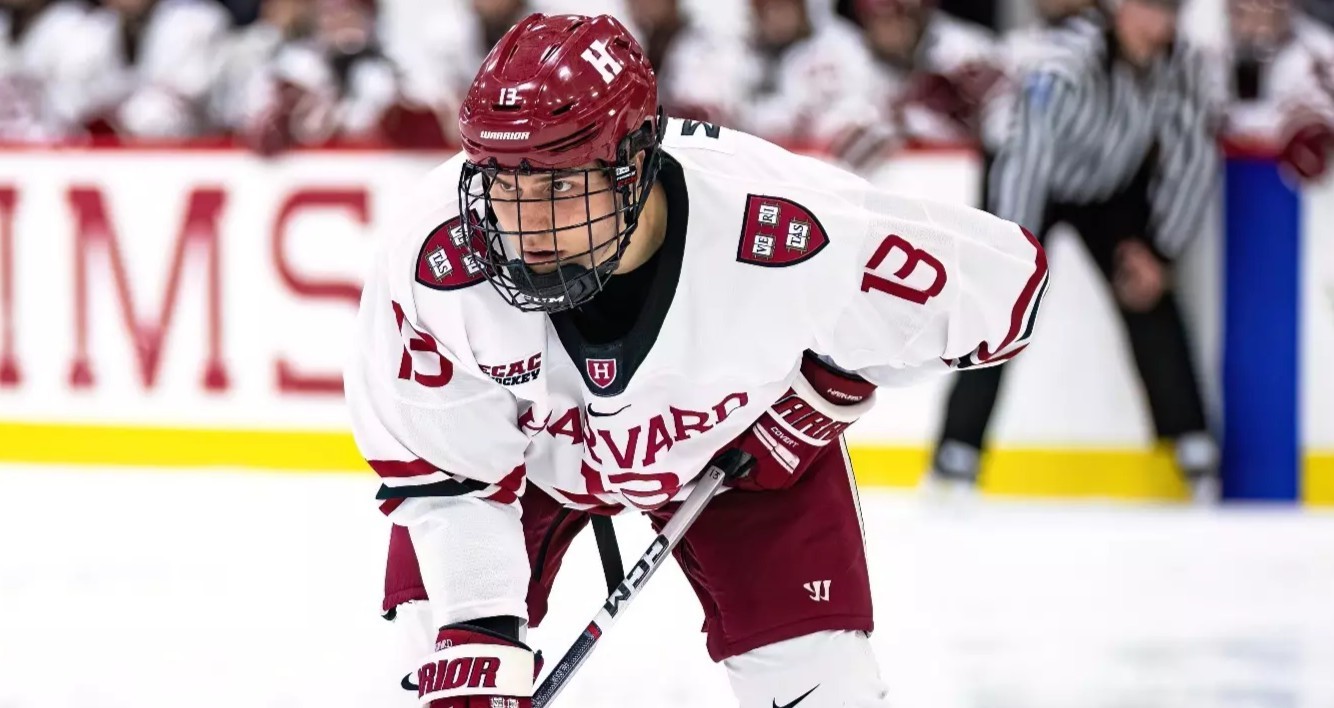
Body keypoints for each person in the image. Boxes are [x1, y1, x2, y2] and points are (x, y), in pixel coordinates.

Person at [346, 13, 1047, 707]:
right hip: (524, 459)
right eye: (502, 184)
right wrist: (480, 629)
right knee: (439, 655)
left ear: (634, 165)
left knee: (825, 690)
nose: (523, 228)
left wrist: (821, 395)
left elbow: (1002, 293)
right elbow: (451, 473)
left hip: (729, 446)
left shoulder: (781, 222)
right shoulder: (434, 256)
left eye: (557, 186)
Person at [923, 0, 1222, 502]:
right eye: (1148, 8)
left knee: (1146, 292)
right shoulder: (1065, 61)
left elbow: (1193, 154)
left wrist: (1161, 250)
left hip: (1111, 189)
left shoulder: (1183, 64)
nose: (1159, 23)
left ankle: (1191, 447)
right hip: (1032, 183)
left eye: (1170, 11)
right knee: (1000, 308)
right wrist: (1011, 250)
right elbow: (1026, 156)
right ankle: (957, 453)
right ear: (1120, 8)